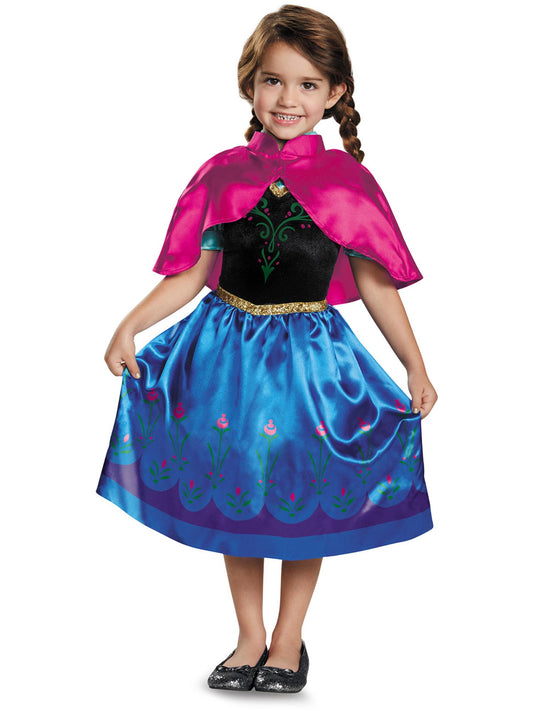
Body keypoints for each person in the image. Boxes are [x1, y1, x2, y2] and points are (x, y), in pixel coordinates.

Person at [97, 3, 438, 694]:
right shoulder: (222, 174)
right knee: (240, 488)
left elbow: (376, 282)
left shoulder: (348, 183)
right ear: (249, 84)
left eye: (307, 85)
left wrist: (415, 364)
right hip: (226, 356)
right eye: (273, 81)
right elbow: (194, 270)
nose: (288, 98)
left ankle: (288, 638)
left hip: (311, 364)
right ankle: (249, 634)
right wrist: (129, 325)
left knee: (302, 491)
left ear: (335, 93)